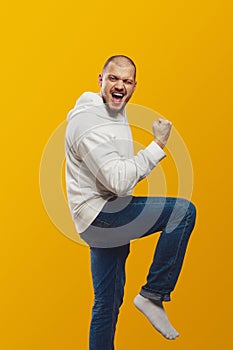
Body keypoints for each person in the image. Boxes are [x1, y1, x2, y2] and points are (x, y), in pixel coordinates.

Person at [65, 55, 196, 349]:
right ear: (100, 80)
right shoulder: (89, 124)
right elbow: (119, 181)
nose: (120, 85)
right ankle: (153, 294)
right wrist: (158, 144)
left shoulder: (111, 110)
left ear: (135, 86)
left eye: (127, 81)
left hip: (104, 214)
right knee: (182, 212)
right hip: (102, 215)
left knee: (107, 303)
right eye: (113, 78)